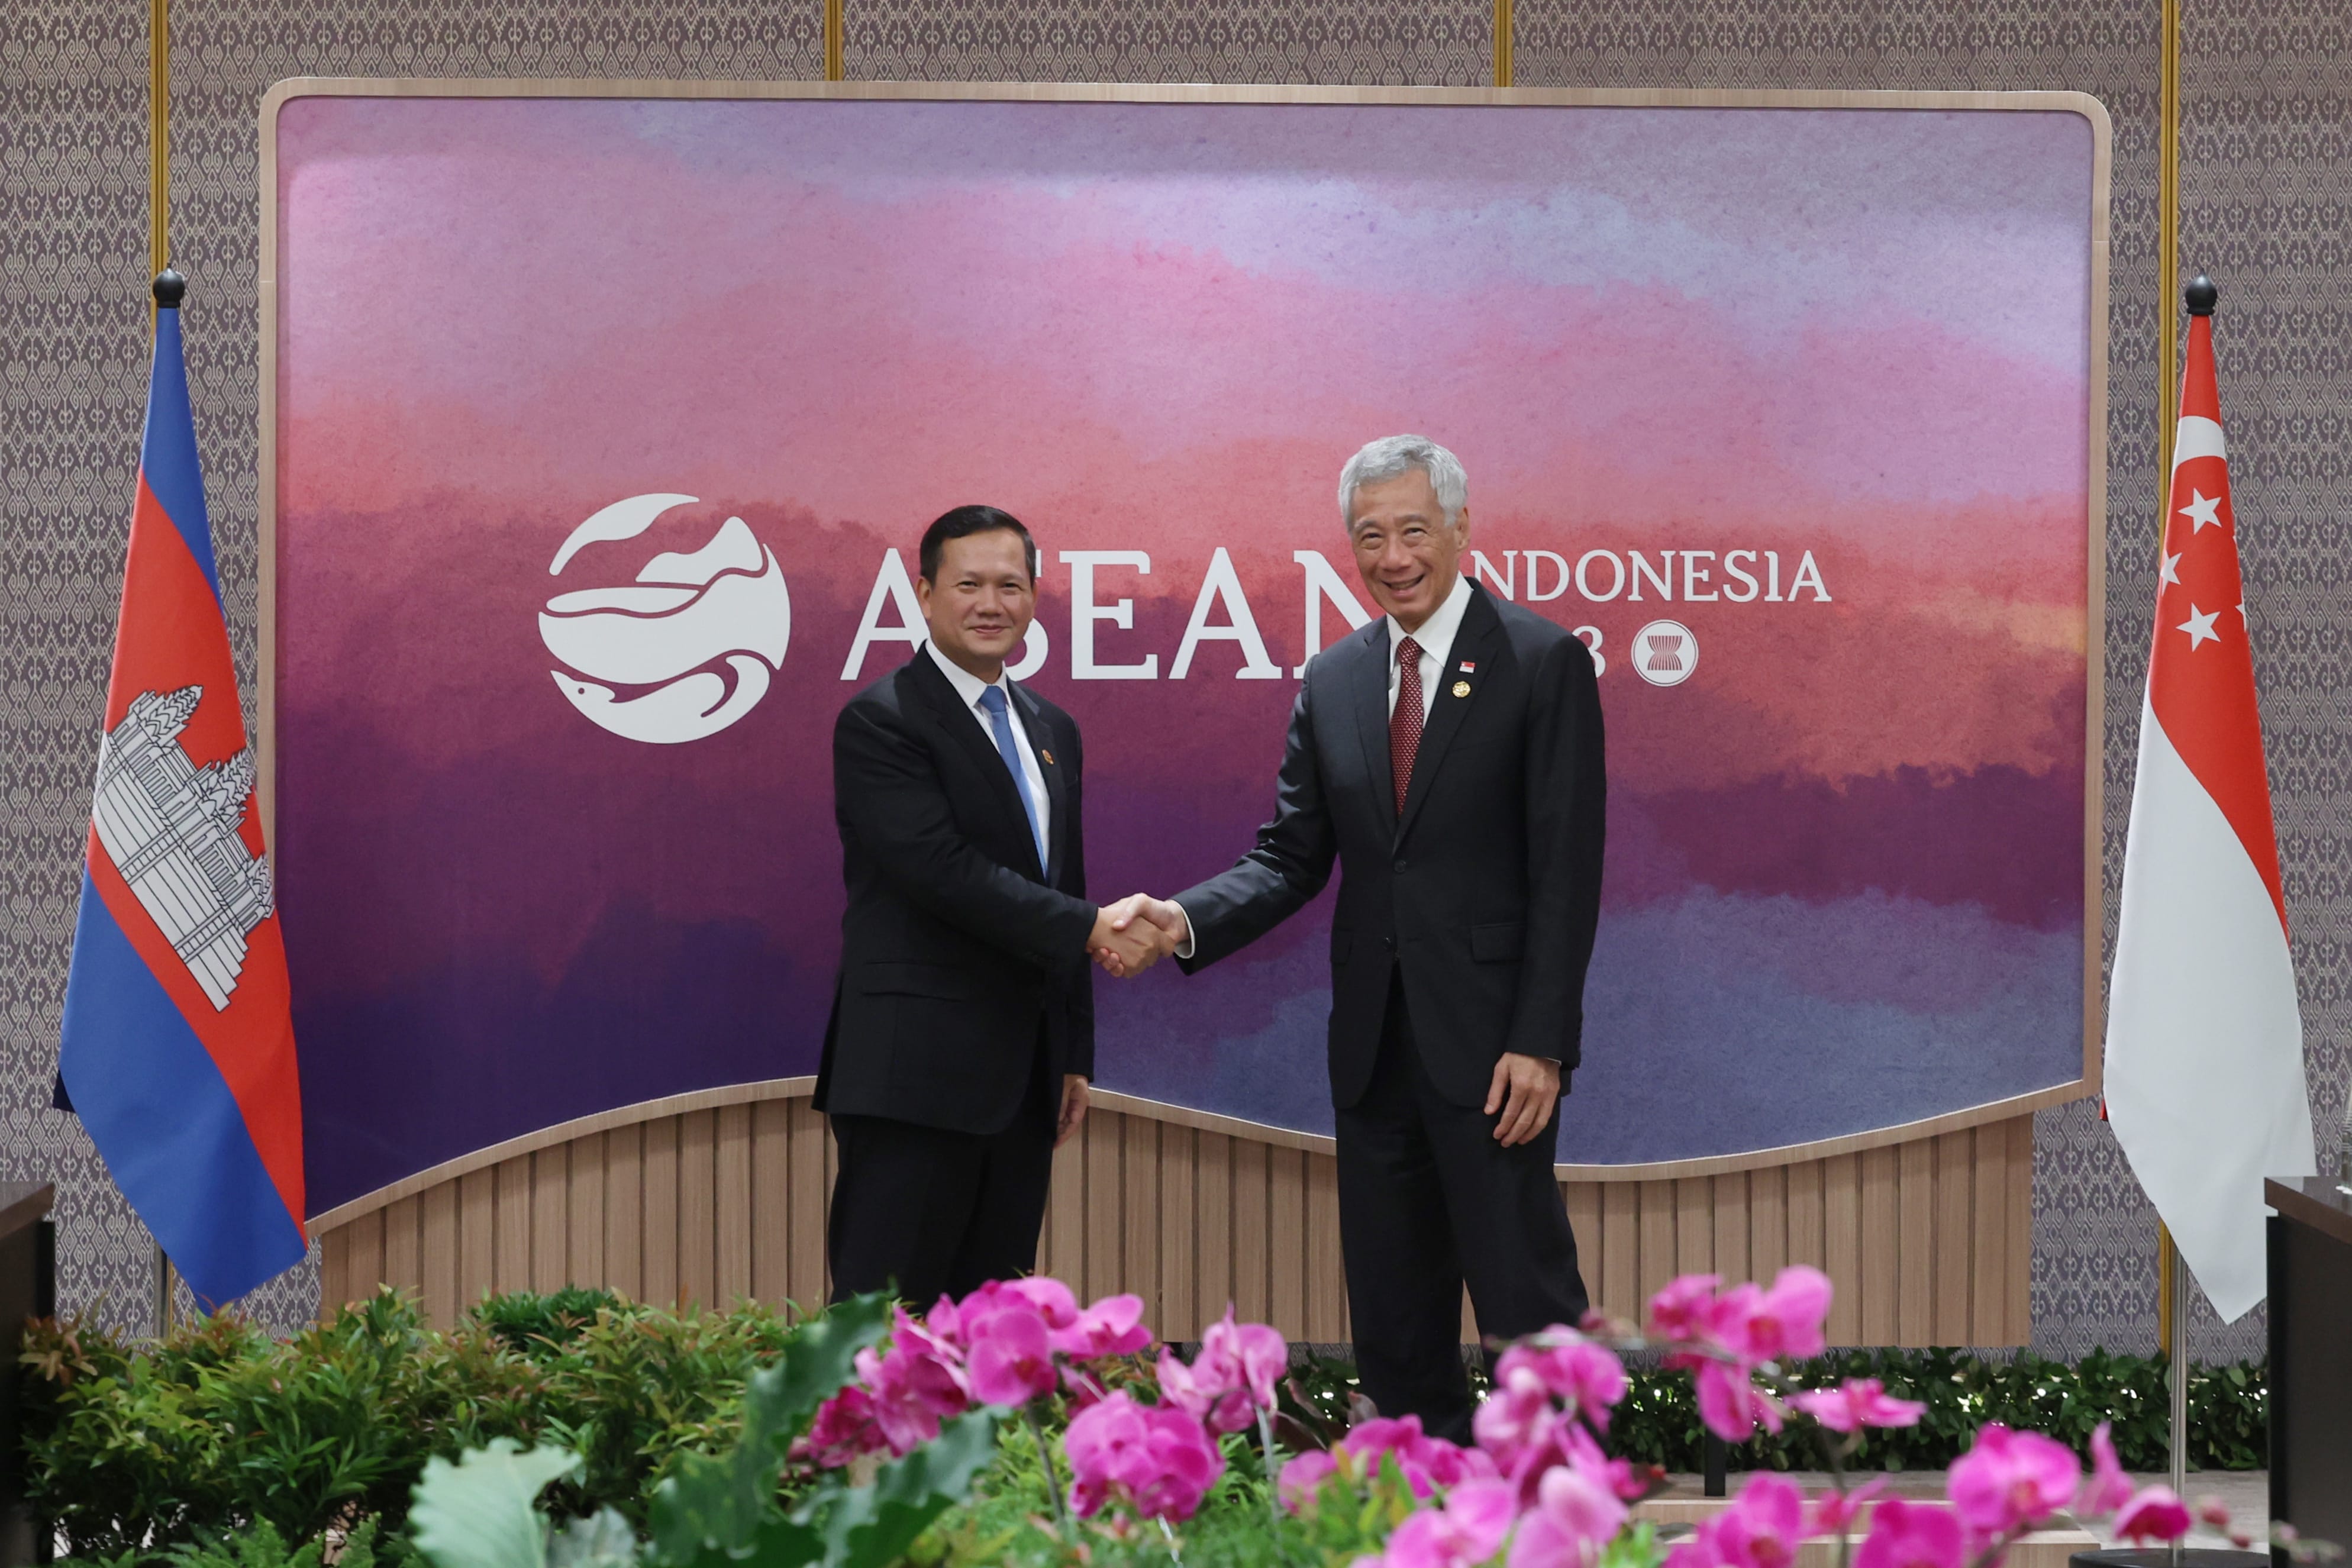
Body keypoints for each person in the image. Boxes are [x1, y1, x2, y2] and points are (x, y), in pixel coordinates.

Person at [1105, 435, 1605, 1440]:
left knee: (1528, 1312)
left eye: (1414, 529)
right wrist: (1184, 917)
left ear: (1461, 528)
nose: (1393, 555)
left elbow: (1567, 870)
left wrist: (1542, 1040)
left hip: (1496, 1060)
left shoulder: (1541, 661)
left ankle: (1565, 1520)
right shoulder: (1334, 679)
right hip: (1374, 1058)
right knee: (1394, 1320)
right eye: (1369, 536)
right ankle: (1419, 1521)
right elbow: (1291, 856)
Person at [818, 504, 1163, 1305]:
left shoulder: (1053, 728)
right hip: (914, 1078)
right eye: (968, 583)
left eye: (1010, 584)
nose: (990, 603)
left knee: (992, 1329)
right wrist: (1089, 927)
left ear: (1034, 596)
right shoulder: (881, 721)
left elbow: (1062, 880)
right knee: (882, 1330)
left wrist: (1074, 1048)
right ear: (926, 592)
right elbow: (942, 870)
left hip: (1023, 1079)